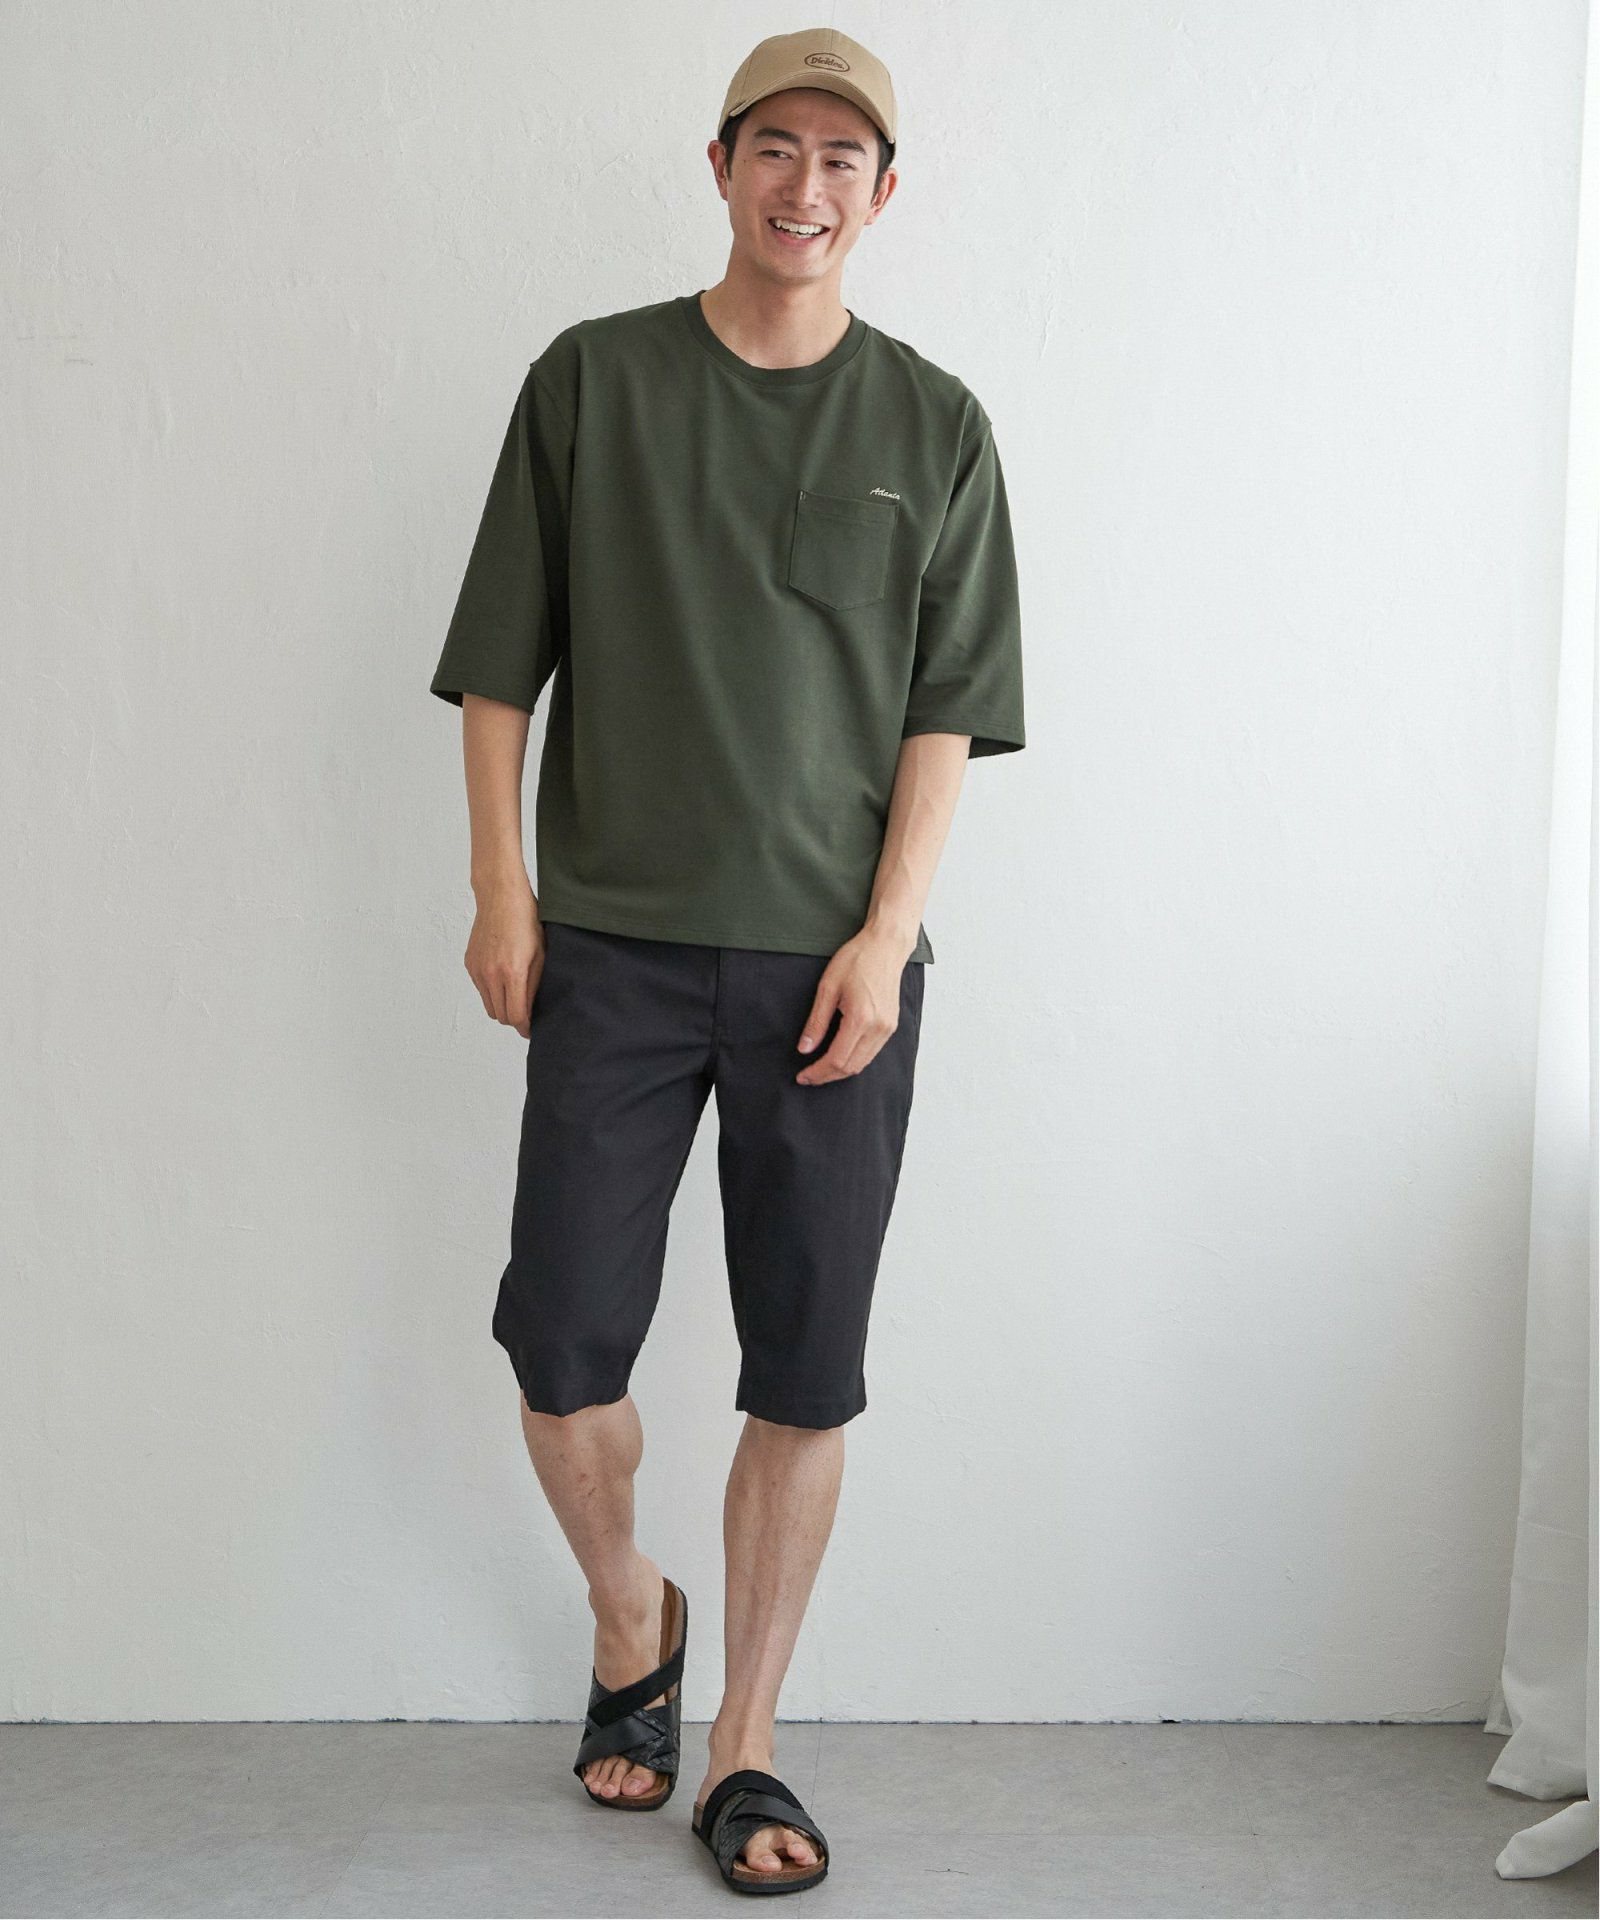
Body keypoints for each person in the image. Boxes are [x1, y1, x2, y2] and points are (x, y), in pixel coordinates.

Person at [429, 25, 1025, 1897]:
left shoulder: (934, 424)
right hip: (609, 944)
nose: (806, 185)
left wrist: (889, 936)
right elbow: (499, 666)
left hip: (830, 975)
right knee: (560, 1344)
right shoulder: (592, 383)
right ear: (721, 166)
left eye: (844, 159)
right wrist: (503, 889)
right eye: (778, 147)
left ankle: (746, 1745)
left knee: (805, 1369)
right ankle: (634, 1616)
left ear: (883, 194)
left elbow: (946, 709)